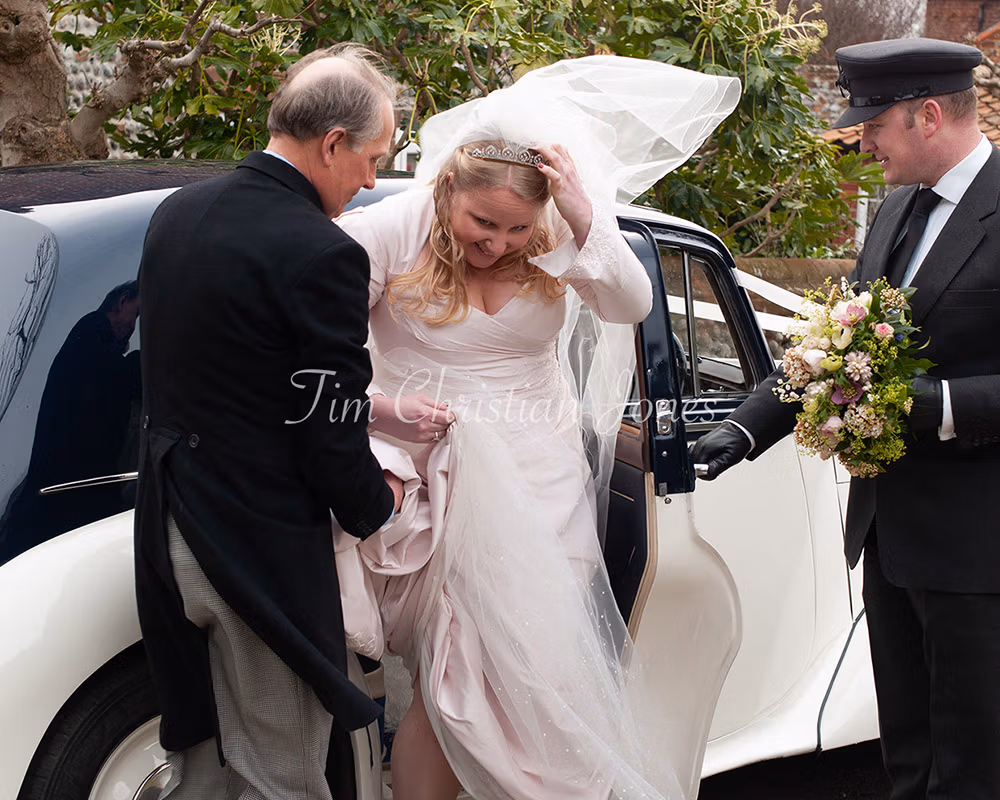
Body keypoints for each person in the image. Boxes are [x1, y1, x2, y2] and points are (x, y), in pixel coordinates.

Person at [332, 55, 741, 800]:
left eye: (516, 229)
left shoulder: (555, 234)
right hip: (437, 476)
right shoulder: (391, 229)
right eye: (482, 223)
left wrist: (584, 220)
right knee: (450, 668)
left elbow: (629, 305)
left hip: (541, 475)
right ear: (447, 185)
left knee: (531, 668)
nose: (497, 243)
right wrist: (385, 420)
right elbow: (328, 351)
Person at [692, 38, 1000, 800]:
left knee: (975, 767)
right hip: (887, 536)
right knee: (907, 759)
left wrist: (940, 408)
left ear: (928, 115)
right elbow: (836, 347)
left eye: (873, 125)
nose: (861, 142)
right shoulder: (896, 210)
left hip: (979, 548)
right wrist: (744, 428)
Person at [134, 44, 405, 799]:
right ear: (331, 144)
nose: (372, 180)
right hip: (254, 544)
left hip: (168, 525)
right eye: (372, 158)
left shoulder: (176, 213)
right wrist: (374, 504)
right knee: (283, 775)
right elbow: (331, 418)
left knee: (203, 766)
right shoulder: (322, 251)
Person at [0, 281, 140, 564]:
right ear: (123, 300)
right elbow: (113, 378)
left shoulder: (89, 337)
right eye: (136, 315)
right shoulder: (90, 334)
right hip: (64, 496)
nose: (134, 328)